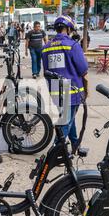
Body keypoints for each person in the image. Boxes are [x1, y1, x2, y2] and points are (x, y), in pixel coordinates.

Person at [41, 15, 89, 149]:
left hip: (55, 90)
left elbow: (46, 71)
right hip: (72, 90)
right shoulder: (72, 46)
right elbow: (83, 69)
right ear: (68, 29)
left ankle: (75, 145)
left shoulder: (46, 48)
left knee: (69, 118)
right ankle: (54, 151)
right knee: (66, 121)